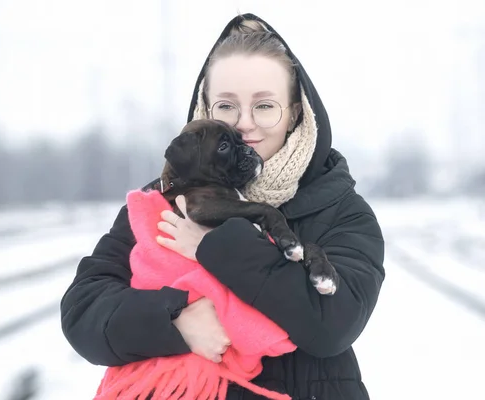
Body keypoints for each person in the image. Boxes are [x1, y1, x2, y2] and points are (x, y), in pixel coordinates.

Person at [60, 13, 385, 400]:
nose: (244, 124)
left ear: (296, 113)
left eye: (265, 106)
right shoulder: (163, 200)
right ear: (206, 108)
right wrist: (174, 318)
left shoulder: (340, 210)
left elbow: (333, 324)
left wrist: (213, 245)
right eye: (227, 106)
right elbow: (83, 310)